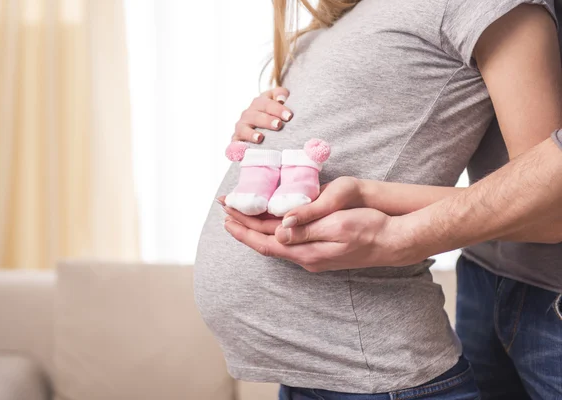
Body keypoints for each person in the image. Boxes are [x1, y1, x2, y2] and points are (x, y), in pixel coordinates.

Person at [195, 0, 562, 399]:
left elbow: (544, 203)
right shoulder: (342, 20)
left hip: (374, 363)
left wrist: (377, 206)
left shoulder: (478, 8)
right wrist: (266, 134)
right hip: (318, 370)